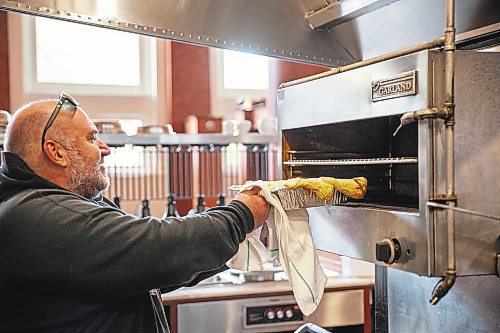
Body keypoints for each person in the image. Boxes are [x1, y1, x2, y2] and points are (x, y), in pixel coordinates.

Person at [0, 93, 270, 332]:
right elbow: (155, 246)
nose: (105, 149)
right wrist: (241, 214)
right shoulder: (42, 215)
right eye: (92, 138)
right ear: (56, 152)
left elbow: (151, 268)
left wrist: (235, 241)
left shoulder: (49, 205)